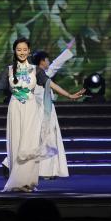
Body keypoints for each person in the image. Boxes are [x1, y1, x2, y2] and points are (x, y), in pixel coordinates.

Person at [0, 40, 83, 191]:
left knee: (29, 145)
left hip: (31, 109)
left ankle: (28, 181)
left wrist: (69, 95)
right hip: (15, 109)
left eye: (25, 49)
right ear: (14, 51)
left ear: (29, 51)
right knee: (16, 144)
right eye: (19, 49)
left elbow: (50, 84)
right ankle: (16, 181)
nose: (22, 52)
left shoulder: (36, 70)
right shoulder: (9, 70)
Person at [34, 43, 83, 178]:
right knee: (46, 139)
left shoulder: (36, 74)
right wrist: (69, 95)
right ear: (42, 61)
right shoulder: (40, 74)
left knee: (43, 139)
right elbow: (56, 65)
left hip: (44, 110)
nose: (49, 62)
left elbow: (55, 65)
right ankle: (45, 171)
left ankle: (47, 171)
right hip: (43, 112)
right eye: (47, 60)